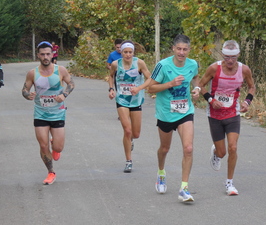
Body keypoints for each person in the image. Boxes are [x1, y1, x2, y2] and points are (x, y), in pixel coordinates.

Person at [199, 40, 255, 196]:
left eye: (233, 58)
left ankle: (229, 183)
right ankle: (216, 152)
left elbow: (252, 86)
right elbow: (201, 84)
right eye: (227, 57)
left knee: (233, 147)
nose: (230, 61)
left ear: (238, 55)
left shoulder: (244, 70)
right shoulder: (214, 68)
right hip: (215, 114)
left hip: (233, 113)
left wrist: (247, 101)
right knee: (223, 152)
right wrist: (211, 100)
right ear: (223, 55)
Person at [148, 34, 200, 202]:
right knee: (164, 149)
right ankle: (161, 172)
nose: (182, 52)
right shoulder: (163, 66)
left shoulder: (193, 64)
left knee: (189, 148)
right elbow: (151, 88)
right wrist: (170, 84)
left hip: (185, 112)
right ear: (173, 49)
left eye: (185, 49)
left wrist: (197, 89)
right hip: (165, 113)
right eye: (179, 49)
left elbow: (196, 78)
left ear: (189, 50)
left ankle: (184, 188)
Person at [22, 41, 75, 185]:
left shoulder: (61, 70)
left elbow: (71, 83)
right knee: (43, 145)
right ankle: (51, 172)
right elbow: (24, 90)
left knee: (58, 148)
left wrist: (64, 95)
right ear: (38, 55)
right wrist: (28, 95)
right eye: (42, 54)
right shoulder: (33, 73)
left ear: (52, 55)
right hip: (40, 113)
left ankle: (55, 144)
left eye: (48, 54)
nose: (45, 57)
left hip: (57, 113)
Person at [108, 40, 151, 173]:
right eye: (125, 52)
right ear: (121, 52)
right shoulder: (116, 64)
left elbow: (150, 78)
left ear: (133, 52)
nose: (127, 55)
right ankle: (128, 161)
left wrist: (139, 88)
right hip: (122, 100)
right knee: (127, 130)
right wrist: (111, 89)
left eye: (130, 52)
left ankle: (131, 139)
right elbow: (110, 76)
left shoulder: (139, 63)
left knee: (135, 134)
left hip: (136, 100)